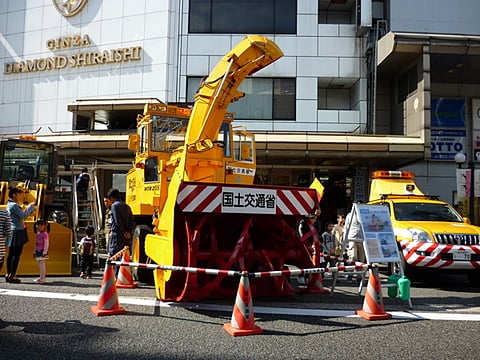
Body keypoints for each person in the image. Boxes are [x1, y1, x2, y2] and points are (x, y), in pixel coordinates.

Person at [6, 187, 35, 283]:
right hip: (17, 231)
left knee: (11, 254)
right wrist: (30, 207)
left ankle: (8, 274)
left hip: (12, 230)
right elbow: (23, 216)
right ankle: (12, 275)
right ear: (14, 194)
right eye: (19, 194)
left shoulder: (9, 205)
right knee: (16, 254)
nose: (20, 196)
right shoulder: (14, 205)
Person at [105, 188, 133, 275]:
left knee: (114, 254)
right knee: (122, 256)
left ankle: (114, 276)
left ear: (111, 198)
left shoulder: (114, 206)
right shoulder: (127, 206)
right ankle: (121, 275)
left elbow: (117, 221)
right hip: (125, 235)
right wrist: (128, 231)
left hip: (117, 233)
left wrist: (123, 231)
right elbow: (131, 220)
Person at [33, 219, 49, 284]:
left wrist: (45, 252)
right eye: (38, 225)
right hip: (38, 251)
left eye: (41, 225)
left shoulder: (45, 234)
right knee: (40, 265)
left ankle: (42, 278)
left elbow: (46, 243)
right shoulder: (38, 234)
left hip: (42, 252)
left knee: (42, 265)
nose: (39, 227)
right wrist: (34, 251)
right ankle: (41, 277)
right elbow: (36, 244)